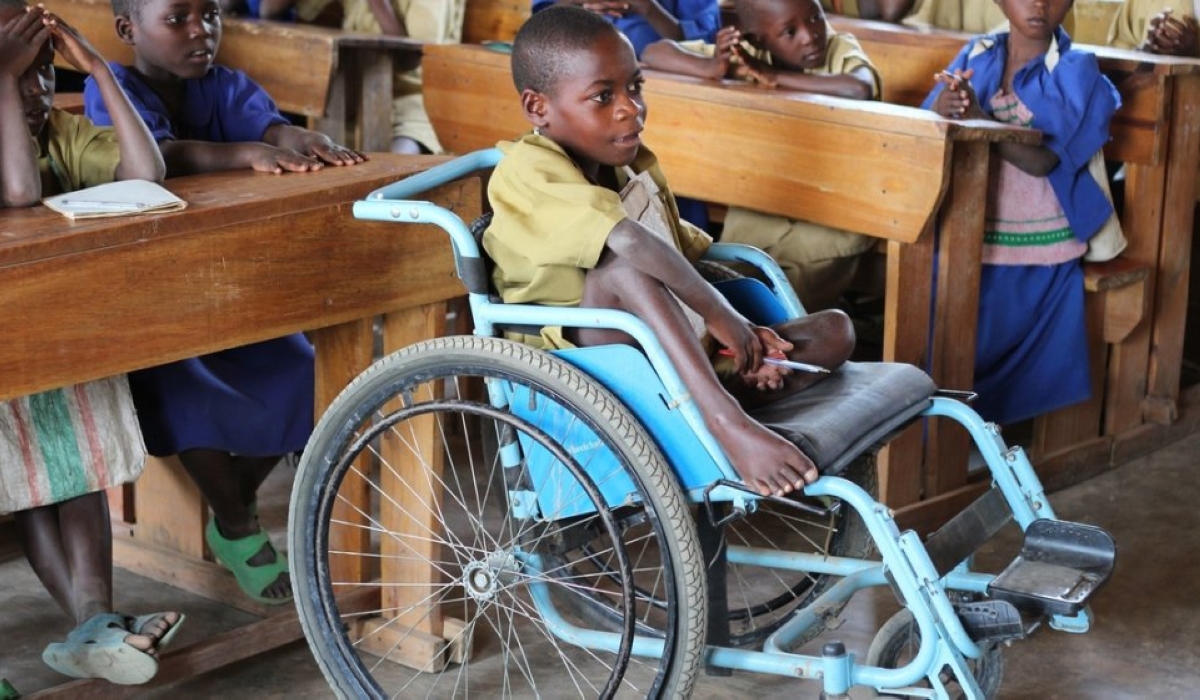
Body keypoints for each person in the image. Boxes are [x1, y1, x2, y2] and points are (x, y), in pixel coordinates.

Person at [486, 5, 859, 496]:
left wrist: (753, 342)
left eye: (635, 87)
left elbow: (687, 255)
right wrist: (723, 314)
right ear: (539, 108)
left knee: (836, 330)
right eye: (603, 96)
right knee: (619, 264)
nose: (631, 108)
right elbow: (627, 241)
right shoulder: (528, 170)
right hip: (585, 372)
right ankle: (726, 424)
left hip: (673, 351)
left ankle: (713, 394)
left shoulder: (628, 163)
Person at [82, 0, 364, 605]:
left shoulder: (224, 84)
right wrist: (245, 155)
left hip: (236, 288)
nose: (199, 31)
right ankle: (236, 522)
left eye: (209, 15)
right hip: (152, 300)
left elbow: (269, 126)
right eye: (178, 18)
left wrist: (300, 137)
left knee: (306, 375)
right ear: (129, 30)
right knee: (183, 387)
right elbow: (159, 160)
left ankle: (230, 502)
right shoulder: (109, 89)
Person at [0, 0, 182, 683]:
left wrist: (101, 70)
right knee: (25, 475)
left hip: (49, 337)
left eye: (43, 72)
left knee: (71, 468)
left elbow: (147, 174)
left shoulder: (61, 132)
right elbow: (17, 194)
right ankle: (89, 626)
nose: (35, 91)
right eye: (18, 77)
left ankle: (94, 622)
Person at [921, 0, 1119, 425]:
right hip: (971, 228)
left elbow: (1044, 161)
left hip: (1040, 244)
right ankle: (951, 431)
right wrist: (947, 109)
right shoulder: (978, 52)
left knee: (993, 338)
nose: (1039, 3)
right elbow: (929, 120)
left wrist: (979, 118)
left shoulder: (1077, 68)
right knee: (944, 324)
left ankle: (980, 432)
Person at [641, 0, 880, 311]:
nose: (809, 35)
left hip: (832, 216)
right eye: (789, 32)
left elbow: (858, 88)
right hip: (762, 207)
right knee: (732, 288)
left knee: (792, 306)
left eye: (815, 18)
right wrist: (710, 66)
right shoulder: (747, 54)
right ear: (756, 39)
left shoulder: (839, 48)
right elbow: (651, 53)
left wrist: (772, 76)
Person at [341, 0, 465, 154]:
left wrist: (379, 5)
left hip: (415, 104)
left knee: (389, 170)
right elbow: (307, 11)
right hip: (354, 103)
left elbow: (412, 59)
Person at [530, 0, 720, 57]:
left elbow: (703, 46)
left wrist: (648, 8)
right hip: (573, 67)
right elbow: (537, 25)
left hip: (660, 83)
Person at [1107, 0, 1196, 54]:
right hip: (1141, 81)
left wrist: (1192, 47)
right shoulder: (1135, 3)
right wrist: (1146, 50)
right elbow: (1118, 51)